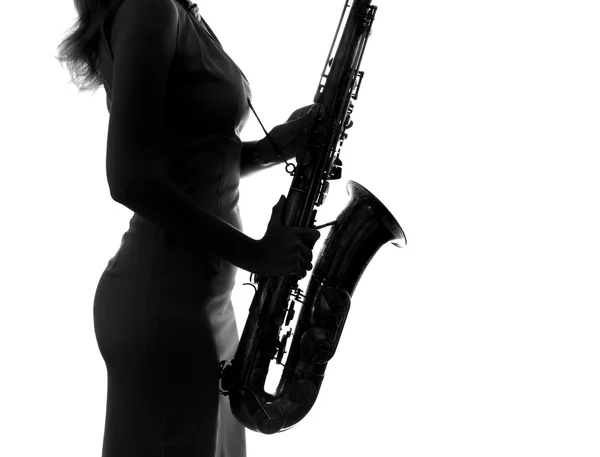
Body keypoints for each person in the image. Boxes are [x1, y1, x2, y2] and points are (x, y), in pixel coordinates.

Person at [57, 0, 323, 455]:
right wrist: (257, 255)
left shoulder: (171, 8)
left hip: (200, 305)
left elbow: (188, 156)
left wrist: (268, 150)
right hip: (167, 307)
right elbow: (130, 179)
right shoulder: (149, 9)